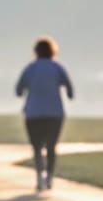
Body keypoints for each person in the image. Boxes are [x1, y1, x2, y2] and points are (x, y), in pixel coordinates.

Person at [14, 37, 74, 191]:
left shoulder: (30, 68)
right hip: (54, 113)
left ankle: (39, 177)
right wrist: (67, 93)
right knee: (51, 147)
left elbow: (19, 90)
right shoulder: (57, 68)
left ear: (36, 51)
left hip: (33, 113)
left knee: (37, 147)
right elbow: (69, 88)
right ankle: (50, 177)